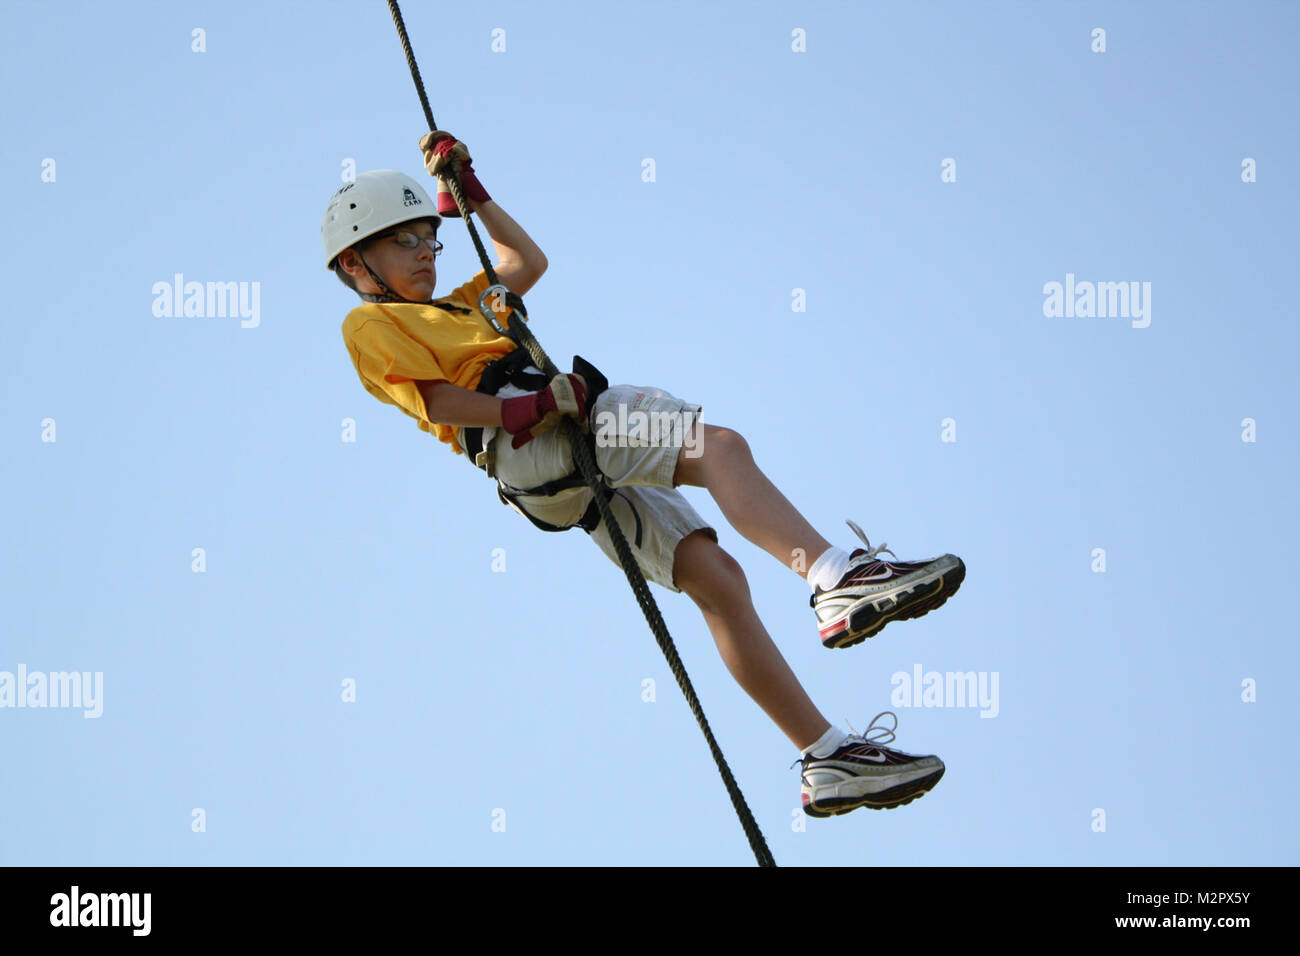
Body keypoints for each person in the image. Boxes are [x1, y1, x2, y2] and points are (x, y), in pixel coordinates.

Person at [321, 132, 966, 817]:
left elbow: (526, 260)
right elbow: (438, 400)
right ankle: (839, 576)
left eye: (429, 237)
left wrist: (472, 195)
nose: (425, 251)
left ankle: (828, 757)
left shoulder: (466, 303)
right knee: (716, 447)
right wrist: (533, 407)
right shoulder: (369, 326)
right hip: (533, 436)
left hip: (551, 458)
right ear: (358, 263)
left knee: (718, 582)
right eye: (404, 242)